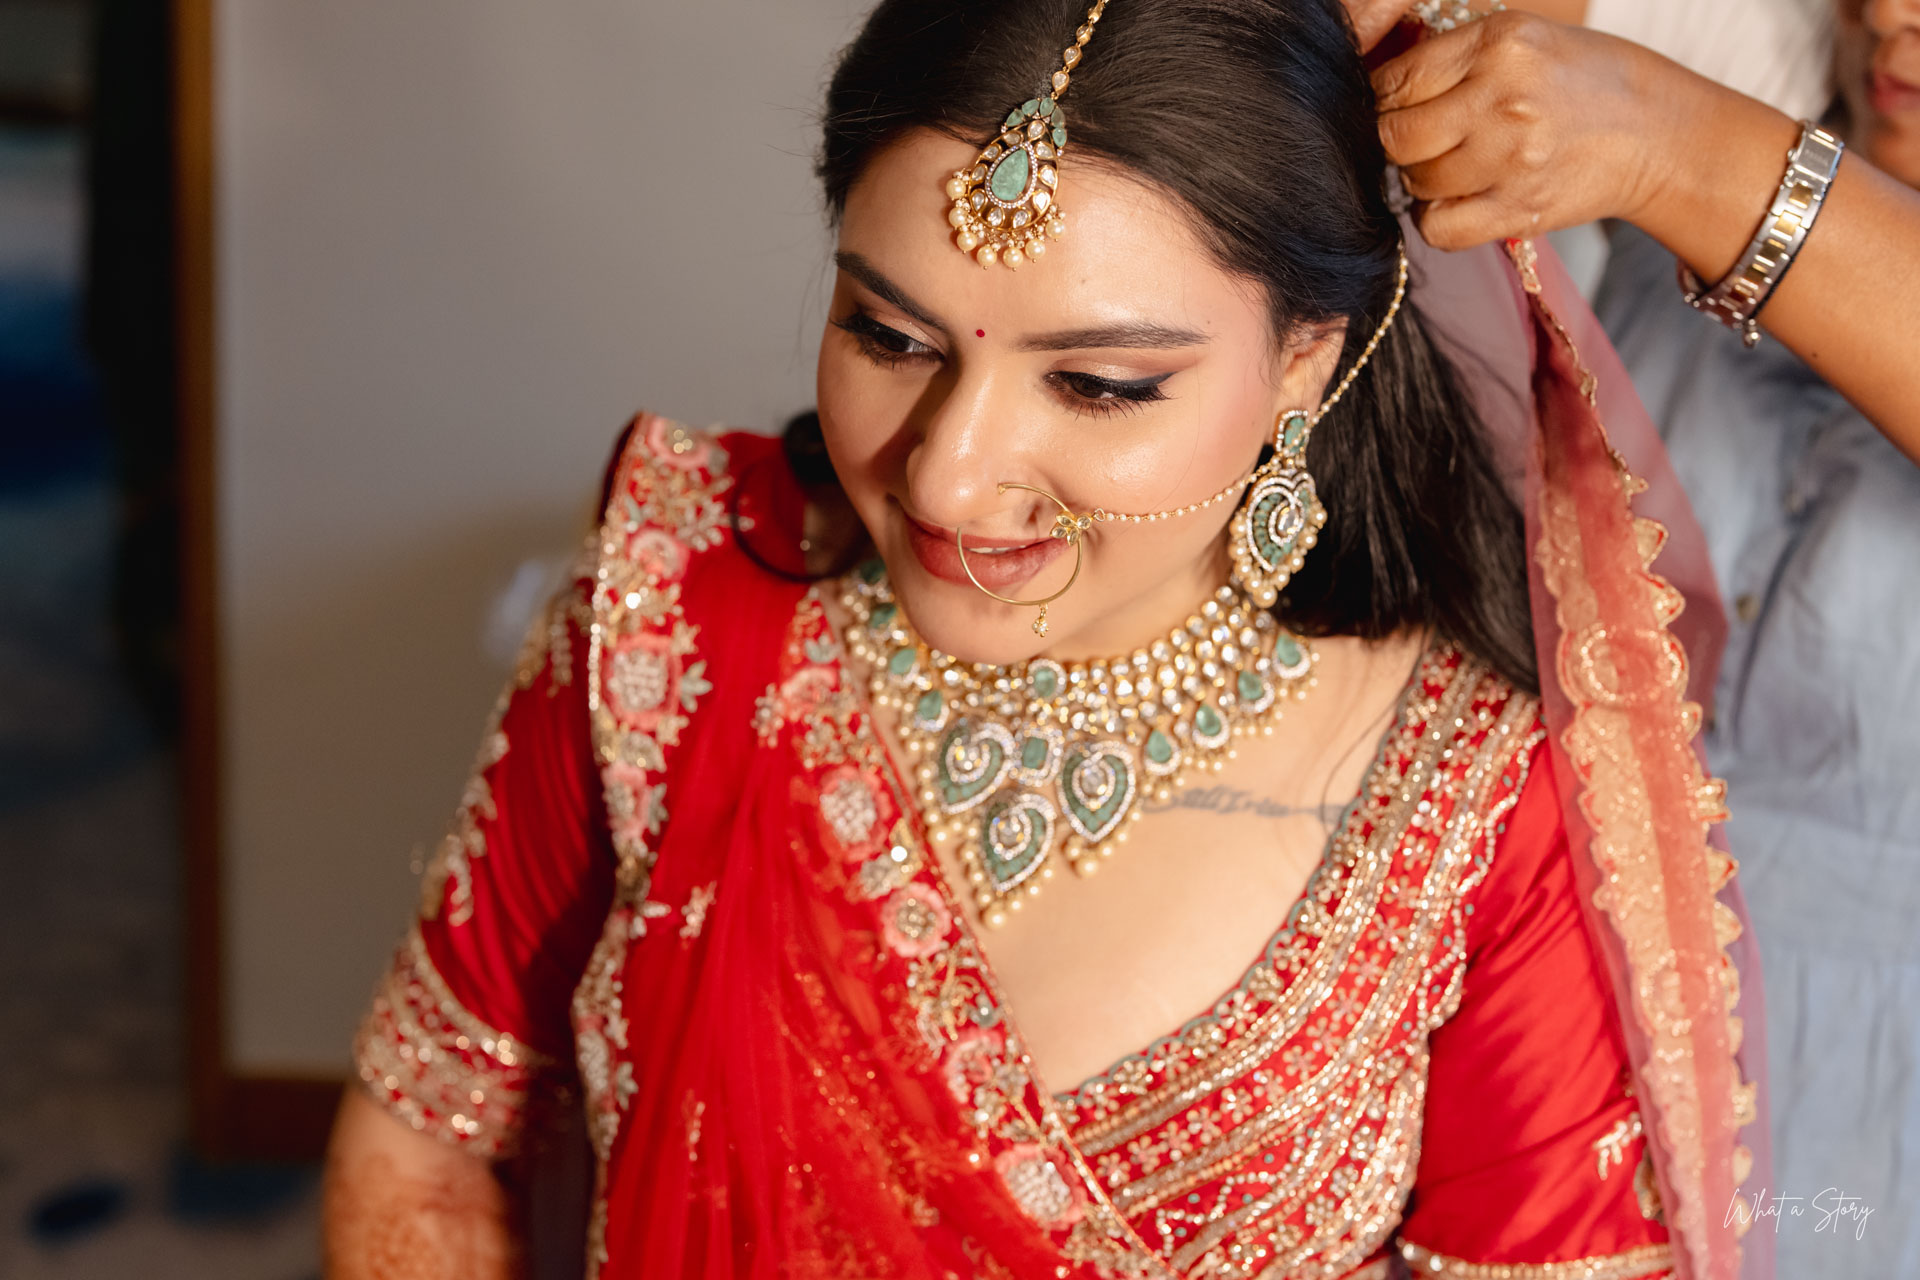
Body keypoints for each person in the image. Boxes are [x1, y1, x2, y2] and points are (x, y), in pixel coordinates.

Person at [321, 2, 1768, 1277]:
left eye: (1096, 384)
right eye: (890, 337)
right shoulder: (673, 605)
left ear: (1305, 363)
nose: (948, 477)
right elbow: (425, 1146)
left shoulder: (1474, 807)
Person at [1347, 1, 1920, 1274]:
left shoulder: (1698, 130)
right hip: (1509, 1028)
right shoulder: (1765, 66)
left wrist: (1671, 142)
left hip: (1849, 1155)